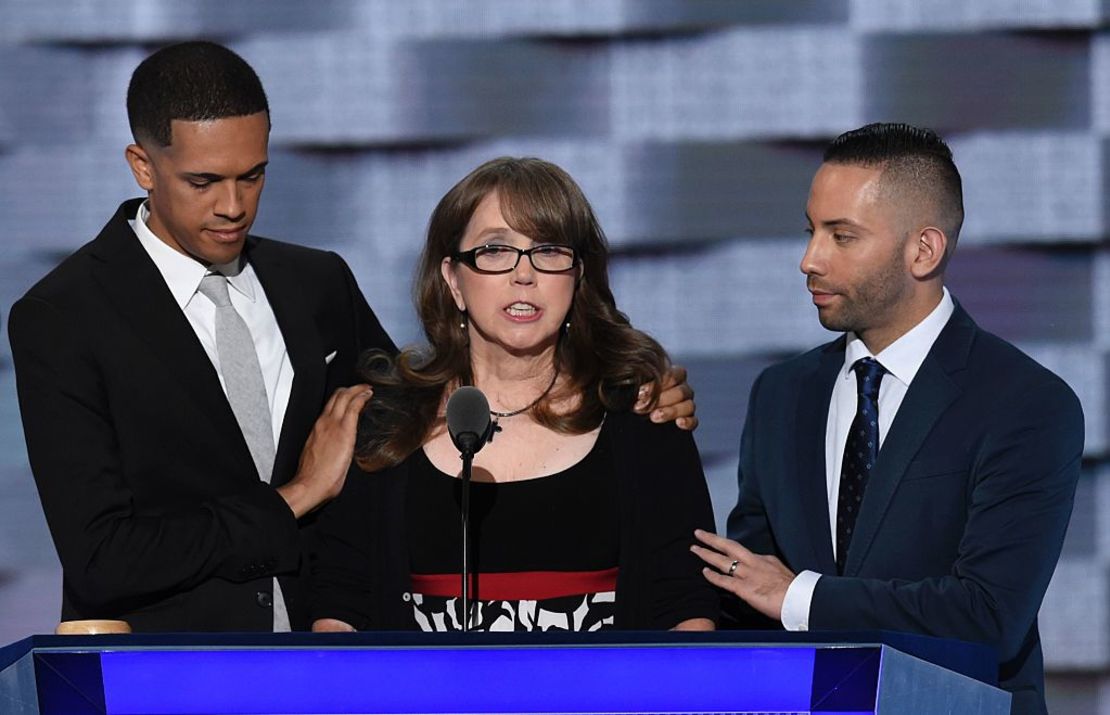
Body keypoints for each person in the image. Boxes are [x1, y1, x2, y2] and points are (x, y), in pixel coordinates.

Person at [8, 42, 698, 633]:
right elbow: (103, 555)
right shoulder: (64, 314)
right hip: (178, 665)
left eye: (253, 175)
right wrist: (294, 497)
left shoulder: (315, 283)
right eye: (204, 181)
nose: (232, 204)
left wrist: (639, 386)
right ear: (142, 165)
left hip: (325, 658)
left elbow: (412, 405)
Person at [691, 123, 1082, 714]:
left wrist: (802, 597)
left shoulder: (1026, 404)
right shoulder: (781, 393)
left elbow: (987, 616)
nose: (809, 260)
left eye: (841, 236)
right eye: (811, 231)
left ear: (924, 250)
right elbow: (750, 591)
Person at [310, 157, 718, 632]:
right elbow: (340, 607)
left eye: (547, 250)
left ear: (578, 276)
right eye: (495, 250)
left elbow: (686, 607)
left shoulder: (643, 418)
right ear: (453, 278)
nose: (524, 274)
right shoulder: (386, 427)